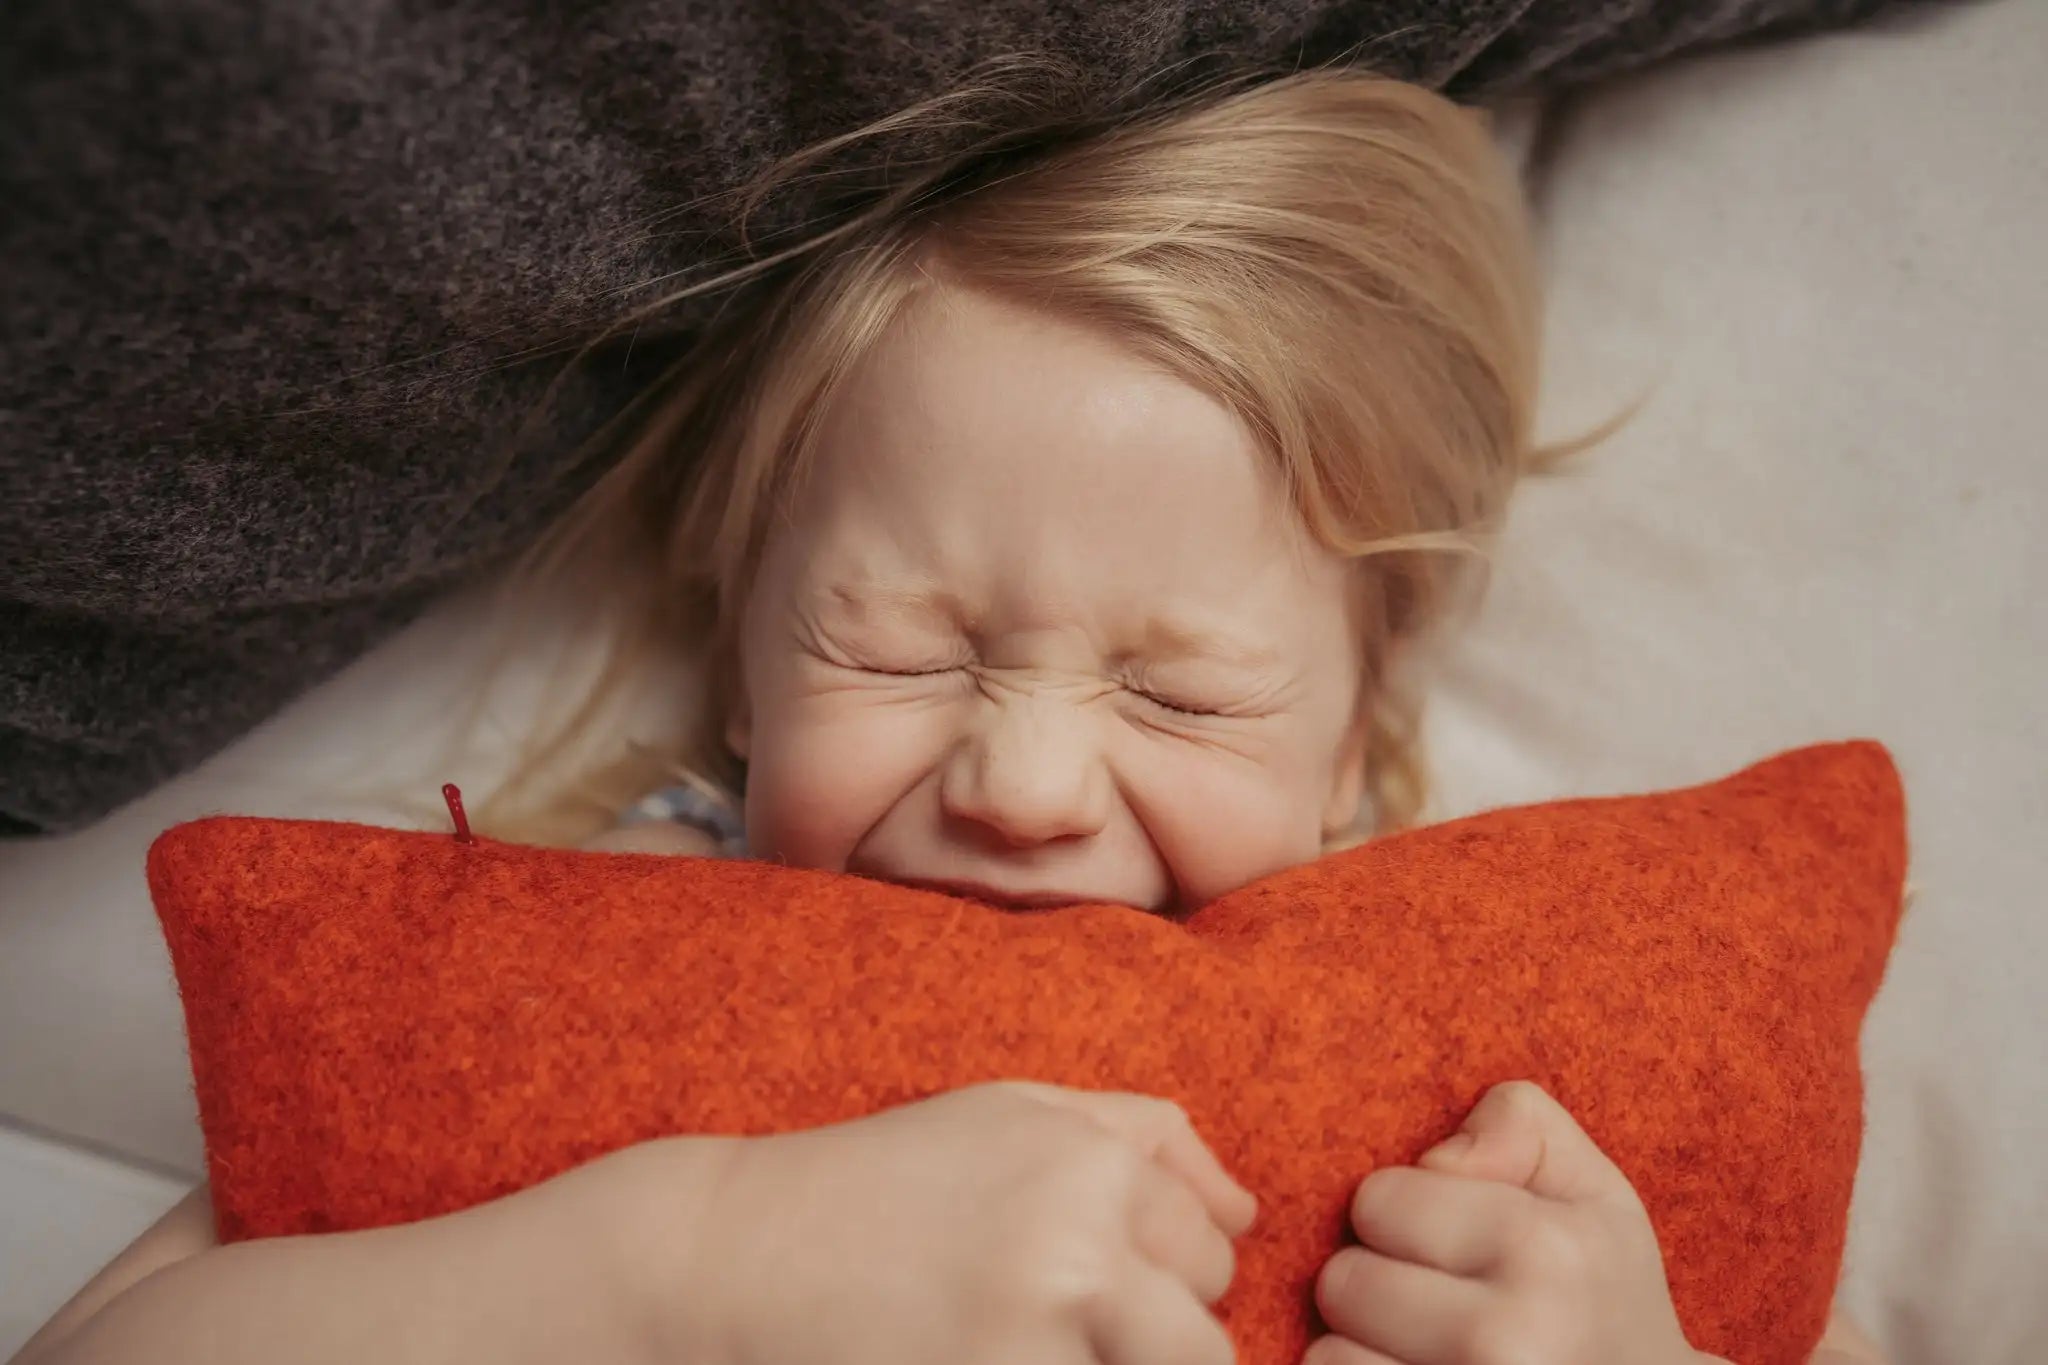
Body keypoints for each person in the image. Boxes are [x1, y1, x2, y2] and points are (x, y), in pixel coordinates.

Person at [14, 70, 1884, 1365]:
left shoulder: (1499, 1079)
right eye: (901, 651)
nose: (1023, 778)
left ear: (1360, 715)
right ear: (737, 627)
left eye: (1178, 688)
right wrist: (688, 1269)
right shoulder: (575, 955)